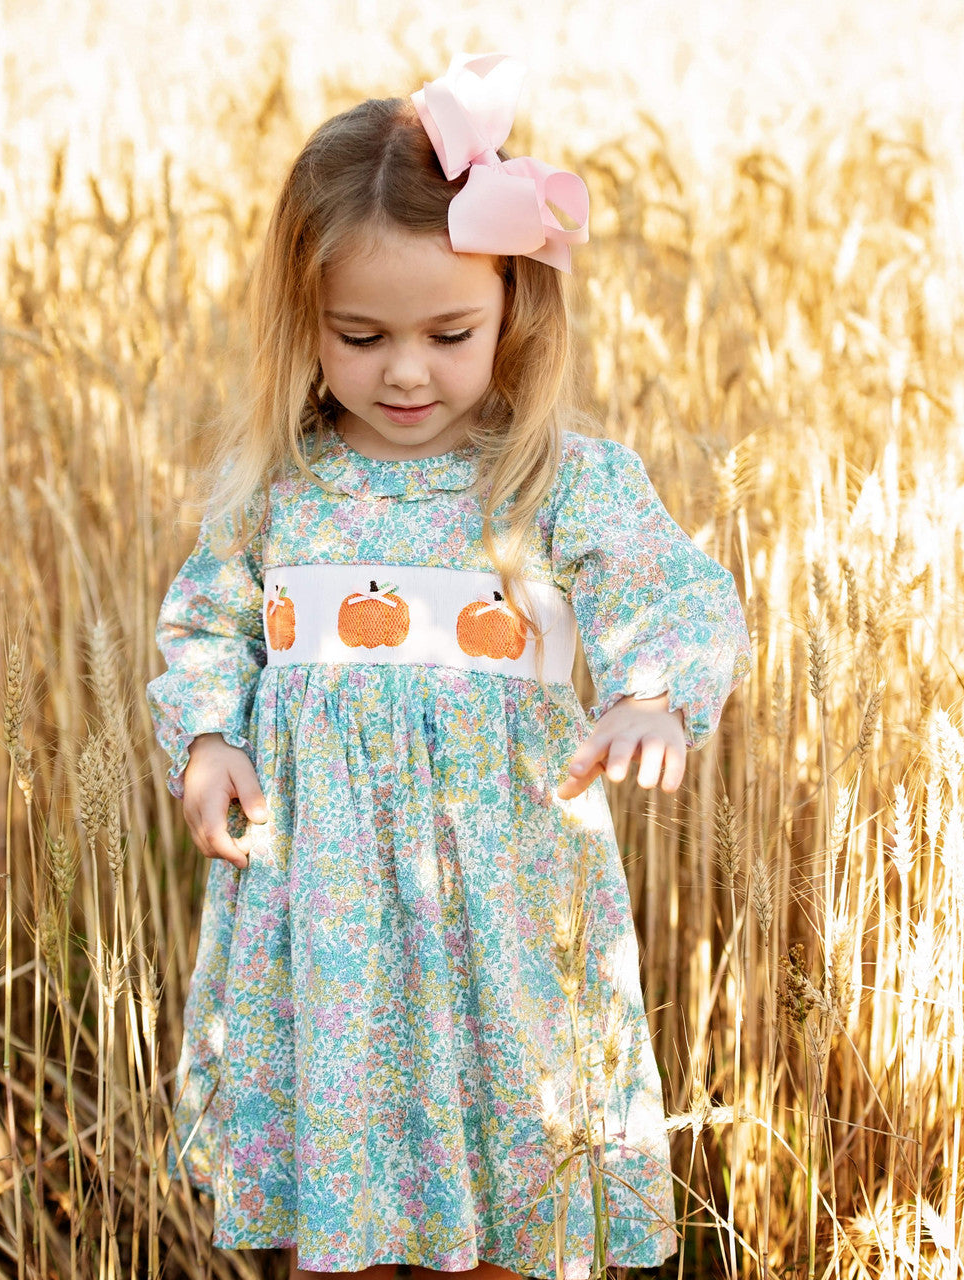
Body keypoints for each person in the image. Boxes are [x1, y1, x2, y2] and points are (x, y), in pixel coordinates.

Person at [148, 53, 750, 1280]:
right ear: (302, 323)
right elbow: (204, 624)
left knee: (508, 1184)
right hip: (324, 917)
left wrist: (651, 693)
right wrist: (209, 738)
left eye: (448, 332)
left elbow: (675, 591)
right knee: (342, 1210)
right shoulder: (283, 489)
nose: (405, 371)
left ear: (515, 310)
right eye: (360, 336)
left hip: (507, 908)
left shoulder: (559, 480)